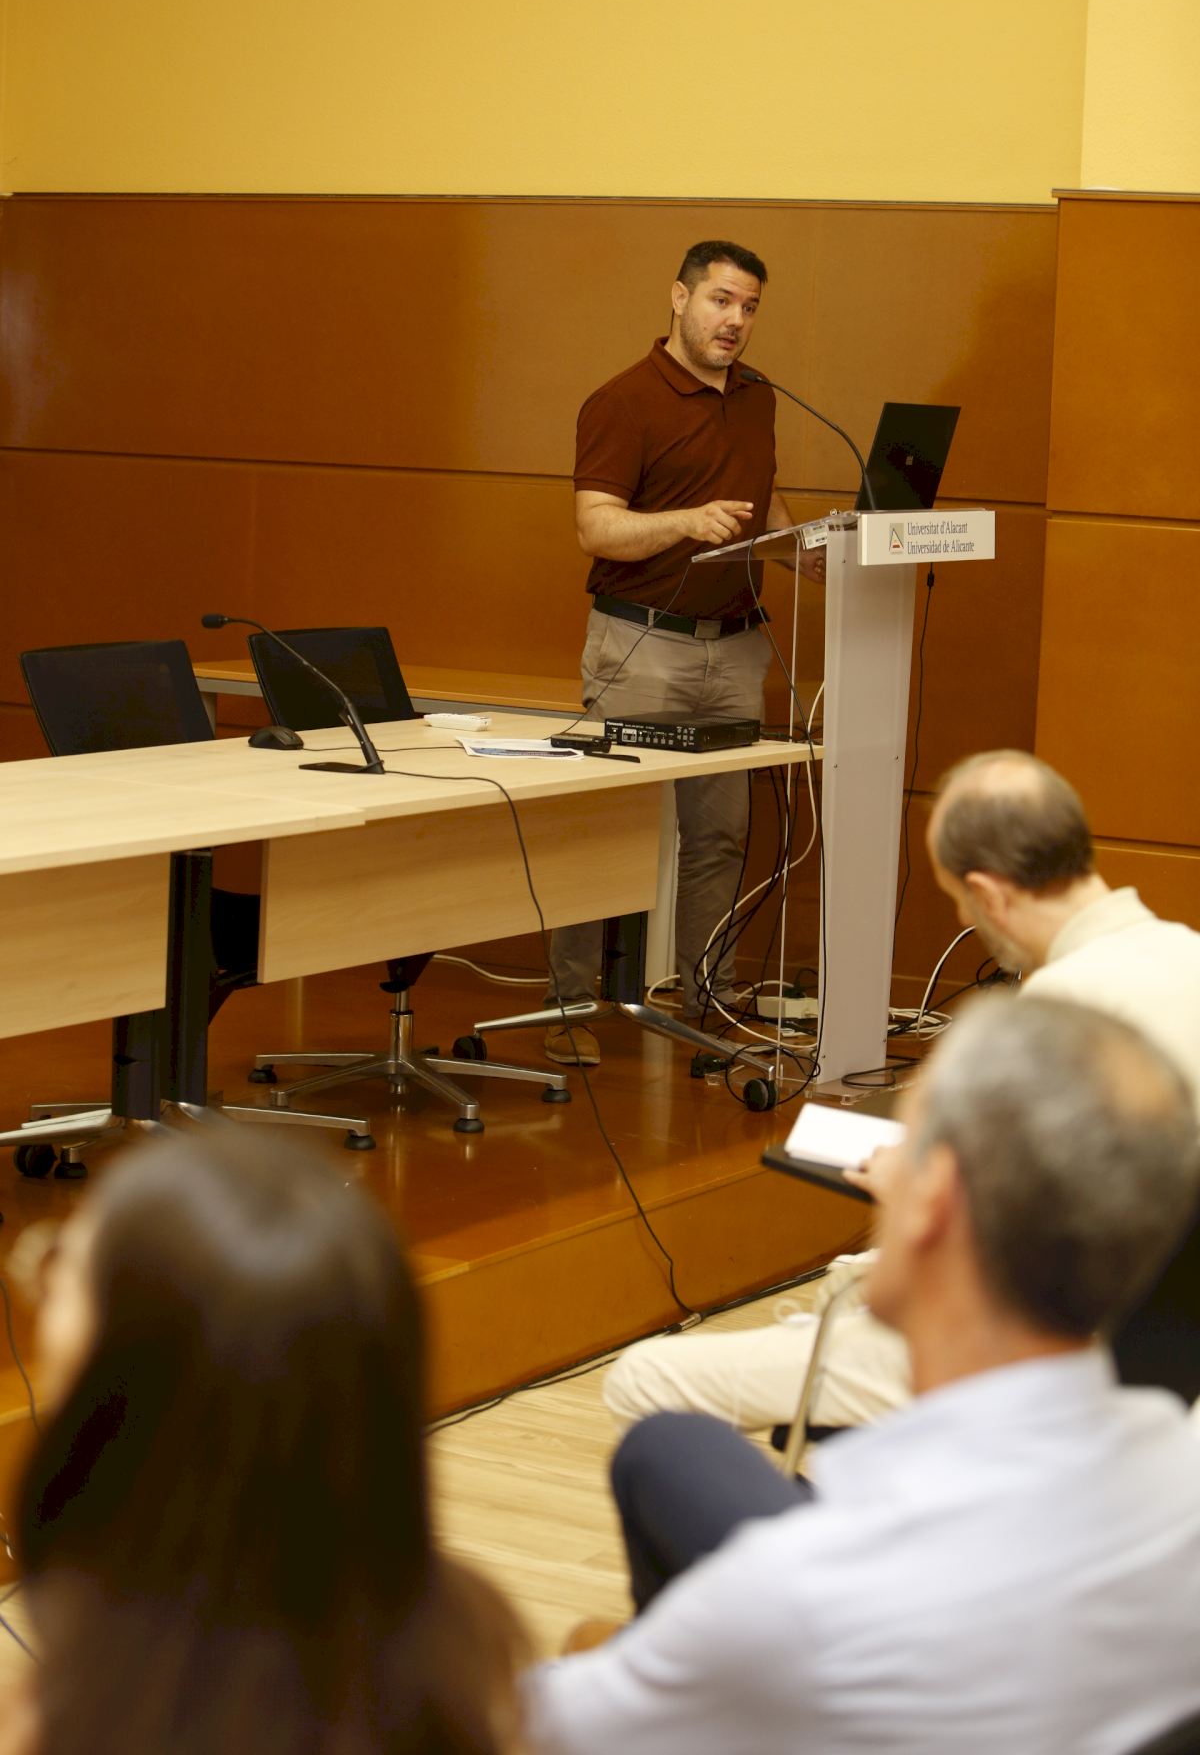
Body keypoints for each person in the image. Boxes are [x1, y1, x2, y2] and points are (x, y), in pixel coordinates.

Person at [522, 996, 1200, 1754]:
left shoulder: (806, 1596)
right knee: (671, 1455)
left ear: (935, 1199)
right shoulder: (1180, 1485)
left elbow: (505, 1728)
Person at [601, 748, 1200, 1438]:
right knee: (842, 1288)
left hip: (1024, 1357)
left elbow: (991, 1245)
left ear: (991, 895)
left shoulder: (1053, 1021)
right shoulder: (1184, 953)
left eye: (960, 902)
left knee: (642, 1376)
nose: (968, 917)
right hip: (1161, 1352)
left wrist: (905, 1189)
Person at [2, 1128, 524, 1755]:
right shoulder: (467, 1654)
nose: (37, 1295)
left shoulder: (100, 1712)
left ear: (133, 1378)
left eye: (60, 1270)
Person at [544, 239, 825, 1066]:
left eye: (749, 307)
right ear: (679, 297)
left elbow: (760, 498)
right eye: (720, 300)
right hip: (642, 646)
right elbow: (595, 528)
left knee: (720, 838)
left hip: (735, 648)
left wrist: (800, 547)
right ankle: (568, 1008)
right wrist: (685, 523)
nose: (735, 320)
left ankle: (709, 1004)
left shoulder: (758, 397)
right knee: (604, 833)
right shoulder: (622, 400)